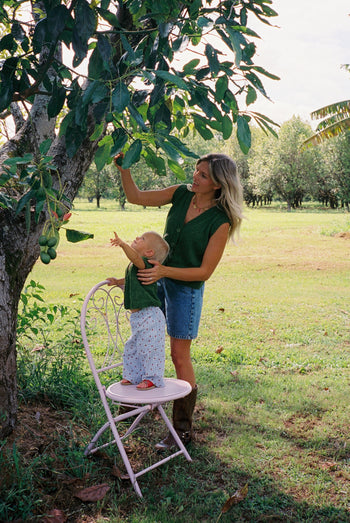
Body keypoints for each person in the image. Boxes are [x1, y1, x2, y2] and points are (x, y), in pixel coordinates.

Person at [114, 152, 243, 447]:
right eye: (195, 171)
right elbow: (135, 196)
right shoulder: (180, 194)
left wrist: (164, 271)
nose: (194, 178)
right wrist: (125, 168)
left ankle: (182, 431)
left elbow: (205, 271)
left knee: (178, 355)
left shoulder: (220, 222)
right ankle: (131, 411)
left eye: (203, 175)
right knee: (142, 338)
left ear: (218, 185)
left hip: (186, 288)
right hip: (155, 279)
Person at [107, 230, 169, 390]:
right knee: (132, 347)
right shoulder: (136, 267)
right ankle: (133, 375)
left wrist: (122, 244)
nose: (137, 237)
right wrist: (117, 282)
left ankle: (152, 378)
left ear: (149, 252)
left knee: (149, 349)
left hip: (150, 316)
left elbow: (134, 257)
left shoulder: (143, 263)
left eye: (142, 238)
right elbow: (130, 280)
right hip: (138, 318)